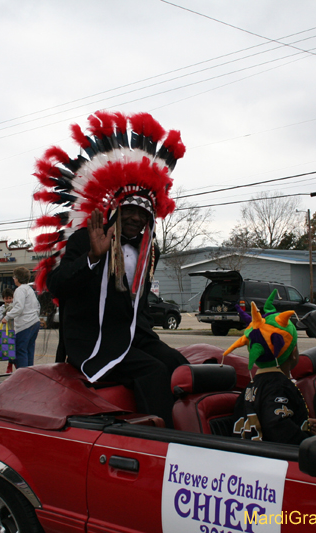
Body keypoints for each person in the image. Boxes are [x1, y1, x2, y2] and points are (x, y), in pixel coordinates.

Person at [35, 111, 188, 428]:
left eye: (142, 215)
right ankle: (159, 439)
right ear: (117, 211)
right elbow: (58, 285)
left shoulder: (148, 251)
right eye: (130, 211)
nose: (135, 219)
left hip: (133, 337)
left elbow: (138, 306)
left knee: (179, 365)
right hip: (94, 340)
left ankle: (196, 427)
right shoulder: (87, 239)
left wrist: (150, 339)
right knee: (154, 372)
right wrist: (93, 256)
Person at [226, 292, 316, 445]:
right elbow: (276, 425)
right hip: (273, 462)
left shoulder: (250, 387)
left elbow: (267, 418)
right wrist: (309, 445)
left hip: (248, 456)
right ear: (293, 353)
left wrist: (303, 425)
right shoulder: (279, 387)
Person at [2, 267, 41, 369]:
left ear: (18, 278)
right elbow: (37, 306)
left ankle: (22, 374)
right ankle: (30, 373)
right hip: (34, 322)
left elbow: (19, 307)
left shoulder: (20, 290)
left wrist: (7, 317)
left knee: (20, 350)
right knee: (29, 349)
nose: (13, 279)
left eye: (14, 277)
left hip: (25, 324)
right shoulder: (30, 289)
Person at [0, 287, 16, 373]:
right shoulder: (2, 308)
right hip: (6, 332)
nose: (8, 300)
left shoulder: (15, 306)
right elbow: (0, 317)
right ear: (3, 299)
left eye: (10, 298)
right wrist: (6, 314)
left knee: (15, 349)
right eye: (6, 298)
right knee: (10, 350)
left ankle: (14, 364)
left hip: (15, 331)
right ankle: (10, 365)